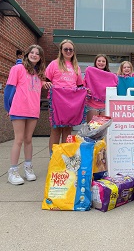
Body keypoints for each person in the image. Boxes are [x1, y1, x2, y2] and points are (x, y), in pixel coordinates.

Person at [4, 45, 47, 185]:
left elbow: (38, 88)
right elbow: (9, 89)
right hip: (18, 109)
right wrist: (8, 107)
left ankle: (28, 168)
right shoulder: (17, 69)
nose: (34, 55)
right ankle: (13, 171)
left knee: (28, 139)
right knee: (19, 139)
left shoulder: (39, 74)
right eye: (32, 52)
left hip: (33, 110)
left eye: (37, 53)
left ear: (40, 57)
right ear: (27, 54)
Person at [45, 39, 86, 154]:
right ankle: (53, 157)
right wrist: (46, 84)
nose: (68, 51)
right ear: (61, 51)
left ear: (73, 51)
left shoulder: (76, 66)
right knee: (56, 129)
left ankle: (65, 156)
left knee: (68, 130)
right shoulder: (54, 64)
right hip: (56, 101)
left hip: (70, 102)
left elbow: (80, 85)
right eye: (65, 49)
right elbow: (45, 80)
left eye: (70, 49)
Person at [84, 54, 118, 122]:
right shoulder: (90, 71)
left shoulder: (111, 76)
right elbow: (84, 84)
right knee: (92, 129)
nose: (101, 63)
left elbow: (116, 85)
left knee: (103, 130)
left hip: (105, 105)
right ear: (95, 62)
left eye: (103, 61)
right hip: (92, 104)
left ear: (106, 63)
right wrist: (86, 90)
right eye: (99, 61)